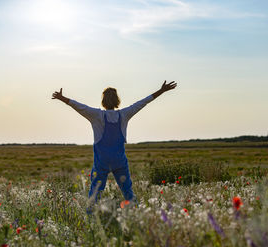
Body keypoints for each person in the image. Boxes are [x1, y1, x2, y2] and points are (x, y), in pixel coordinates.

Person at [52, 80, 177, 211]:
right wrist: (162, 91)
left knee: (95, 192)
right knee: (128, 192)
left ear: (103, 101)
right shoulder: (124, 115)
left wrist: (62, 98)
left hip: (102, 162)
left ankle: (90, 217)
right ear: (117, 100)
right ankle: (138, 214)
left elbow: (79, 106)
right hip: (119, 161)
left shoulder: (96, 115)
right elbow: (142, 103)